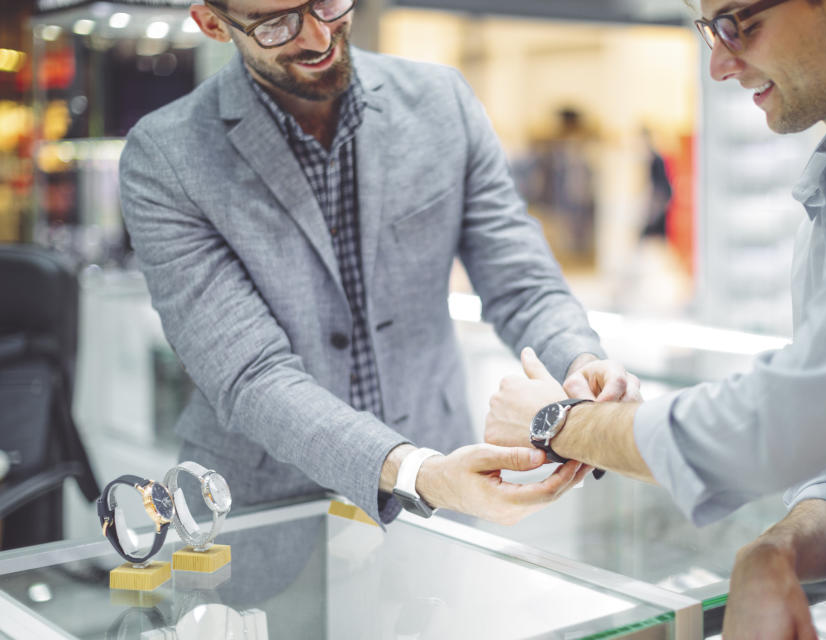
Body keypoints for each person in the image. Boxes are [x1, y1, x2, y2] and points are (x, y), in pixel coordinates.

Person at [485, 0, 826, 634]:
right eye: (711, 30)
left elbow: (769, 428)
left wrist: (557, 422)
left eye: (741, 22)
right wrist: (775, 551)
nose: (719, 64)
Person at [119, 0, 641, 528]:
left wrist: (580, 362)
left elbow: (521, 282)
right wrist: (416, 473)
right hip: (265, 509)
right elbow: (250, 373)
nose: (320, 37)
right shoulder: (167, 157)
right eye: (277, 24)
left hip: (444, 494)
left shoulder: (442, 102)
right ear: (213, 23)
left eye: (327, 3)